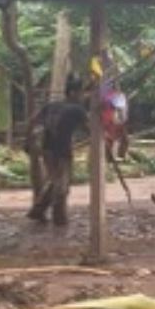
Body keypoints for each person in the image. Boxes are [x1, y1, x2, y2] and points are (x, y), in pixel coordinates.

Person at [27, 78, 91, 226]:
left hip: (47, 149)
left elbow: (32, 121)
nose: (84, 96)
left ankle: (38, 211)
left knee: (54, 180)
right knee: (62, 186)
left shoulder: (52, 105)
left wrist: (29, 140)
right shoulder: (77, 109)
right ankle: (58, 219)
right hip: (61, 150)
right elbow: (90, 129)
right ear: (74, 93)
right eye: (82, 93)